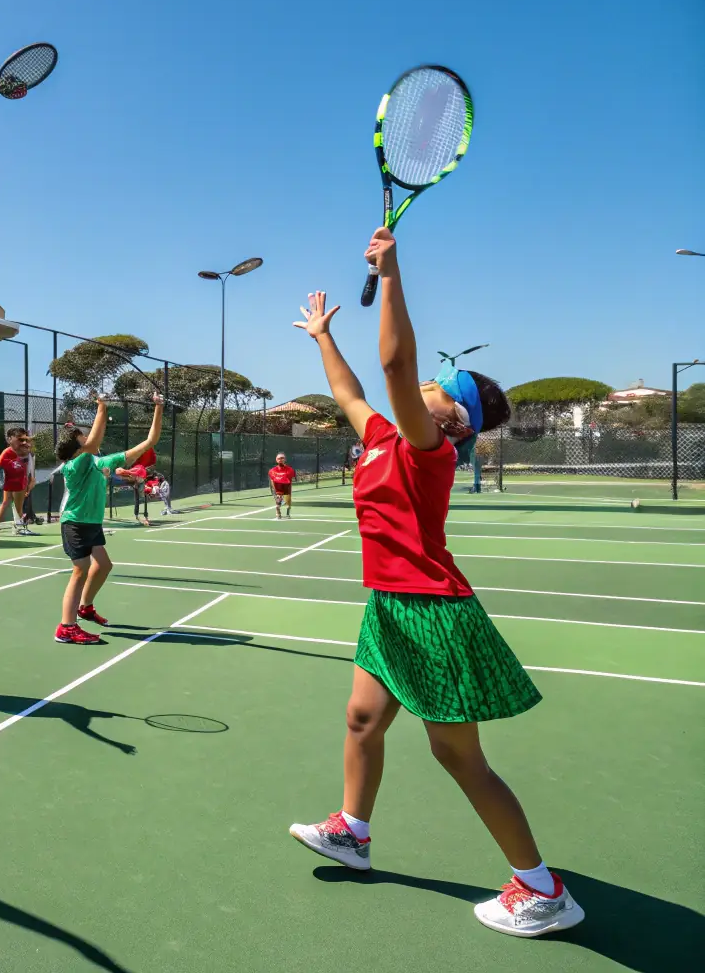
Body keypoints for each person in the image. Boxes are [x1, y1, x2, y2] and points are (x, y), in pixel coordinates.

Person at [287, 229, 583, 938]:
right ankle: (351, 832)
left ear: (448, 413)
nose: (416, 387)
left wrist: (391, 275)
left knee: (456, 756)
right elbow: (349, 389)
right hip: (389, 607)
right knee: (362, 722)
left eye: (428, 389)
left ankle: (542, 890)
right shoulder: (385, 438)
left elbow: (392, 363)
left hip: (431, 611)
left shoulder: (425, 450)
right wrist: (322, 336)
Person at [54, 394, 164, 644]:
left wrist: (158, 407)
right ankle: (66, 628)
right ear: (76, 447)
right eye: (81, 436)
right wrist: (102, 406)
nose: (86, 437)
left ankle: (85, 608)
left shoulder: (98, 461)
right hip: (75, 522)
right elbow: (93, 442)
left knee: (103, 565)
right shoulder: (75, 465)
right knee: (79, 570)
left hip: (91, 523)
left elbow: (150, 441)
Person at [0, 427, 37, 537]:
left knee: (10, 503)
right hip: (13, 482)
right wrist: (15, 464)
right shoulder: (8, 452)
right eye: (20, 439)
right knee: (13, 504)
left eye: (25, 439)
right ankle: (16, 527)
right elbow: (0, 462)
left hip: (21, 482)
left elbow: (29, 467)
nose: (24, 442)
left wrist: (31, 480)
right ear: (10, 439)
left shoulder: (25, 451)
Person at [115, 447, 158, 526]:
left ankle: (144, 516)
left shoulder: (139, 469)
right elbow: (128, 477)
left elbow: (140, 475)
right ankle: (138, 515)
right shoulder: (135, 470)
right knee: (138, 499)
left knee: (143, 496)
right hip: (138, 481)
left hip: (140, 480)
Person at [268, 452, 296, 519]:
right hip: (277, 487)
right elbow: (272, 481)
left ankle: (288, 512)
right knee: (278, 500)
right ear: (276, 460)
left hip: (286, 487)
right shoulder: (272, 471)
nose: (280, 459)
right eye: (279, 458)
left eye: (282, 458)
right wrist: (276, 491)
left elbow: (290, 480)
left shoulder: (290, 470)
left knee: (288, 503)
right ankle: (278, 511)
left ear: (285, 459)